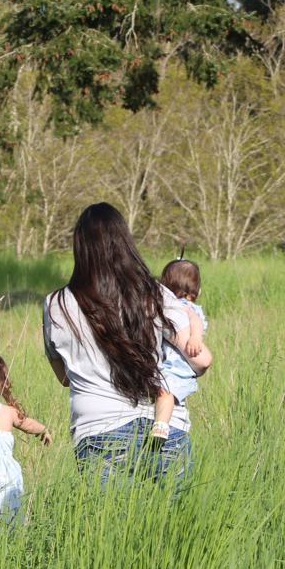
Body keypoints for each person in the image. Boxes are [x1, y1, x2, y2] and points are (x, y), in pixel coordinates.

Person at [43, 203, 210, 486]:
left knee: (109, 528)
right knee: (173, 528)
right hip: (166, 428)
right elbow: (200, 360)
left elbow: (64, 378)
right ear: (125, 242)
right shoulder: (157, 293)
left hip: (99, 431)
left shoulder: (57, 304)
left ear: (80, 247)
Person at [0, 354, 54, 526]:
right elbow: (28, 424)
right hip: (6, 478)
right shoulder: (7, 411)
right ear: (0, 382)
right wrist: (44, 430)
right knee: (5, 524)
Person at [150, 258, 211, 443]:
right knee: (165, 391)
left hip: (176, 363)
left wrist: (194, 338)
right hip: (178, 361)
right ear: (198, 290)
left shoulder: (182, 307)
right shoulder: (181, 306)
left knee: (165, 390)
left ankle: (161, 427)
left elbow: (195, 321)